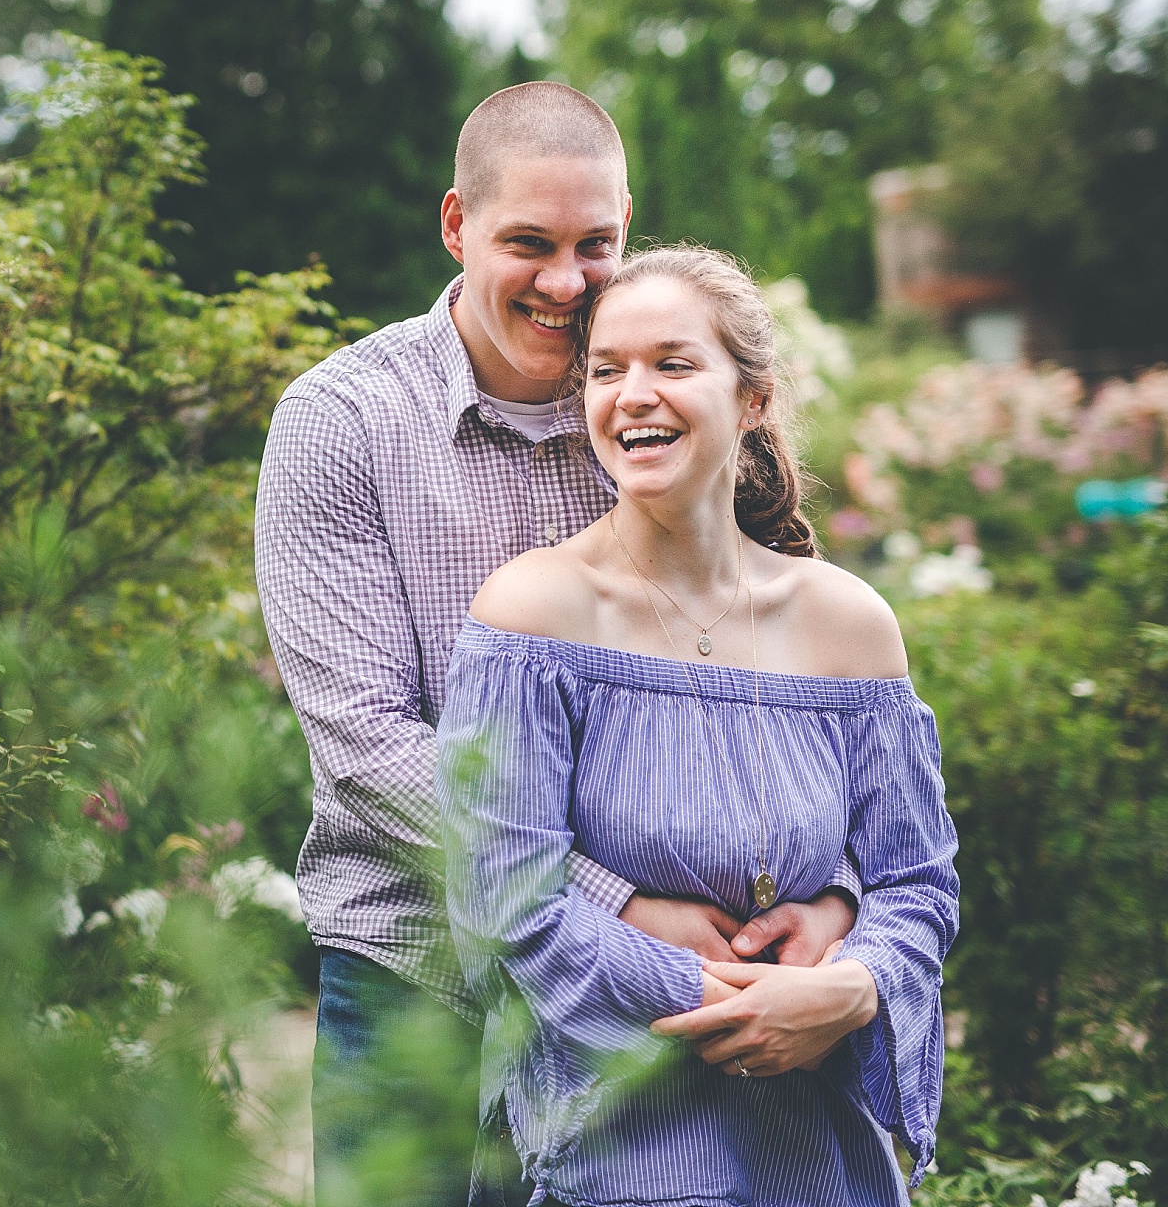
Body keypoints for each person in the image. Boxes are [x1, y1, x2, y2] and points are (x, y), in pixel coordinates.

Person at [255, 86, 863, 1207]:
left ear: (629, 224)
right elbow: (364, 747)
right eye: (526, 244)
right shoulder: (340, 425)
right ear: (455, 226)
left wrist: (831, 897)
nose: (566, 282)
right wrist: (615, 901)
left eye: (597, 245)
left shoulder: (661, 405)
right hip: (422, 976)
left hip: (670, 985)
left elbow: (792, 688)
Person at [437, 246, 959, 1207]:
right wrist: (735, 1006)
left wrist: (853, 988)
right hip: (614, 1157)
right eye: (607, 371)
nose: (633, 394)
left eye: (673, 365)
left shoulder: (848, 623)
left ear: (751, 398)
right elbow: (505, 907)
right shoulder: (534, 617)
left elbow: (916, 884)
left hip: (823, 1168)